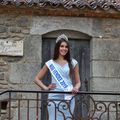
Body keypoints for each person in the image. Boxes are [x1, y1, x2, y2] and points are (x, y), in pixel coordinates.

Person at [34, 34, 81, 120]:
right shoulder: (50, 63)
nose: (64, 48)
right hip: (54, 96)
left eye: (66, 47)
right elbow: (36, 79)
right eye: (62, 46)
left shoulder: (73, 62)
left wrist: (76, 88)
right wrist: (46, 88)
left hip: (68, 96)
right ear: (57, 48)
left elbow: (78, 82)